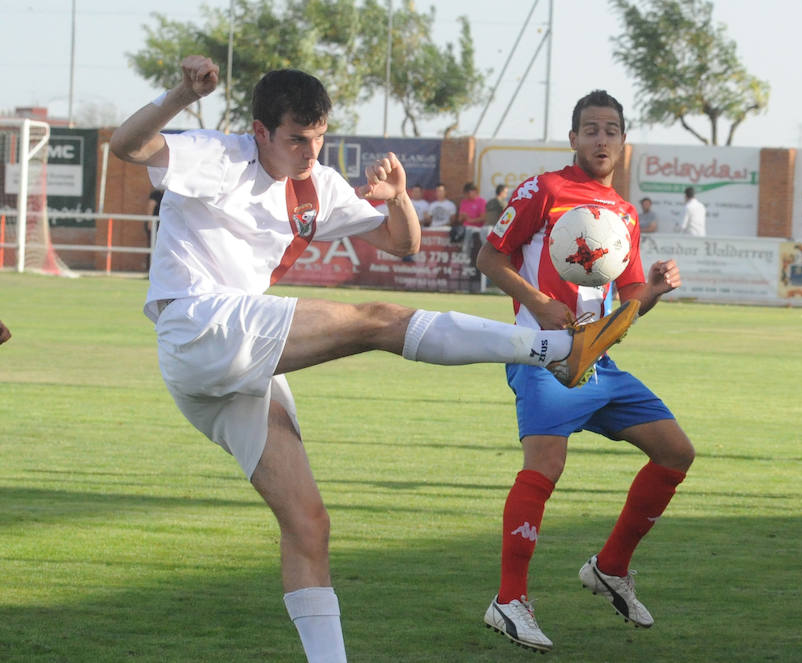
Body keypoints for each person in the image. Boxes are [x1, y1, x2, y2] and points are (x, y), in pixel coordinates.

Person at [109, 56, 636, 663]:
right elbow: (128, 146)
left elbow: (402, 242)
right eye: (296, 139)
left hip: (230, 370)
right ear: (259, 132)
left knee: (310, 527)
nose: (311, 152)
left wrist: (398, 198)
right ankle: (558, 349)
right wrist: (180, 92)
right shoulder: (217, 155)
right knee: (376, 321)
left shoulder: (319, 184)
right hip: (198, 324)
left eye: (320, 137)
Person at [476, 89, 695, 653]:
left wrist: (656, 290)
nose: (602, 139)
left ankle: (610, 567)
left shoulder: (623, 213)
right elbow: (489, 258)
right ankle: (508, 600)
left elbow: (629, 304)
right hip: (543, 353)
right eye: (591, 129)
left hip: (598, 358)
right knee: (545, 466)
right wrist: (541, 303)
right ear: (573, 138)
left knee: (676, 452)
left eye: (612, 130)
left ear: (623, 142)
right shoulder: (543, 189)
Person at [459, 182, 488, 262]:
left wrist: (471, 220)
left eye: (468, 193)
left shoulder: (482, 202)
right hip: (464, 228)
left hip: (477, 229)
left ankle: (467, 257)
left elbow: (483, 218)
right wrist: (463, 217)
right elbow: (459, 220)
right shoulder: (464, 202)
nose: (467, 196)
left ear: (474, 191)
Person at [146, 188, 164, 270]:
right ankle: (150, 269)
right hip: (155, 225)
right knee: (153, 246)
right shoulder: (156, 194)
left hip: (162, 226)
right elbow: (151, 206)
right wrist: (150, 222)